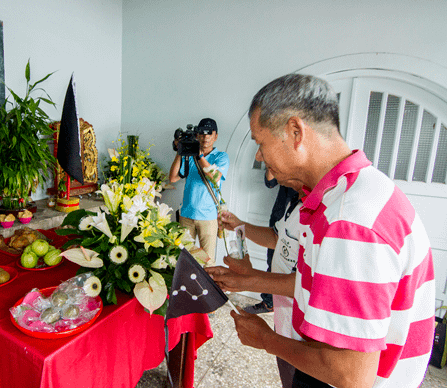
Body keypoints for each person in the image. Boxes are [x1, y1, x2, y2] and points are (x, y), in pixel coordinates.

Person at [207, 74, 435, 387]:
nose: (259, 156)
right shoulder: (352, 193)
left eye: (261, 143)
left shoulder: (348, 222)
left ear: (295, 132)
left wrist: (265, 339)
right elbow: (318, 286)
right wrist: (248, 279)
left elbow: (349, 374)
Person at [221, 179, 303, 387]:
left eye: (262, 146)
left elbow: (306, 285)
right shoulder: (294, 199)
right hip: (284, 320)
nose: (260, 157)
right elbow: (277, 239)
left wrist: (248, 280)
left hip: (304, 337)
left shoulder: (327, 213)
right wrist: (240, 226)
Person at [169, 118, 229, 266]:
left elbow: (215, 178)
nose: (206, 137)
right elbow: (173, 178)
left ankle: (207, 289)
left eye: (210, 133)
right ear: (197, 135)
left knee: (207, 261)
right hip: (186, 215)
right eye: (202, 133)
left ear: (215, 136)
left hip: (208, 217)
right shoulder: (188, 156)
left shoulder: (221, 157)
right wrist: (180, 150)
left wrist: (200, 156)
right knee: (184, 258)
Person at [244, 169, 299, 315]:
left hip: (296, 313)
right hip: (279, 216)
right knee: (273, 261)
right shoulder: (291, 205)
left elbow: (301, 283)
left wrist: (244, 280)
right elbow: (270, 183)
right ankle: (269, 302)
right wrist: (239, 225)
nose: (258, 157)